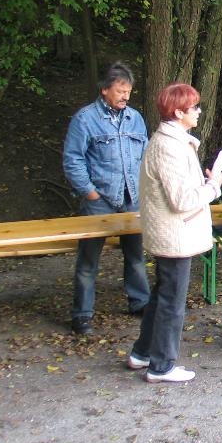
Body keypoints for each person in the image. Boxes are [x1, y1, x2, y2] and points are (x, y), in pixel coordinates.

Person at [128, 83, 222, 383]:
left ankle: (142, 353)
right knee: (172, 302)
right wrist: (213, 186)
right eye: (194, 107)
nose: (199, 111)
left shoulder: (174, 141)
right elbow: (181, 200)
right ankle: (162, 366)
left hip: (173, 232)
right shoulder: (169, 146)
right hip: (174, 235)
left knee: (162, 296)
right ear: (178, 112)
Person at [62, 62, 150, 335]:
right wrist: (89, 192)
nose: (126, 96)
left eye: (129, 92)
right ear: (104, 90)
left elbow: (146, 155)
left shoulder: (135, 118)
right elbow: (72, 160)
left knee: (136, 256)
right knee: (88, 261)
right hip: (99, 200)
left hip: (132, 198)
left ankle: (140, 303)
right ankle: (82, 315)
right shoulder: (85, 119)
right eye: (121, 91)